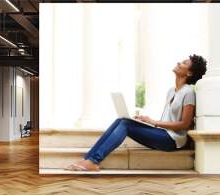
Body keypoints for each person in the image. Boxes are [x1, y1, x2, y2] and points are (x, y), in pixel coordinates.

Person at [65, 54, 207, 171]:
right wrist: (146, 121)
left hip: (172, 140)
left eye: (183, 62)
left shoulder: (188, 92)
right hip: (163, 133)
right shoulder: (172, 90)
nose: (179, 62)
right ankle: (88, 159)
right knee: (121, 120)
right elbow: (169, 119)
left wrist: (154, 122)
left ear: (189, 73)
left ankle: (94, 161)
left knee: (126, 125)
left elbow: (184, 124)